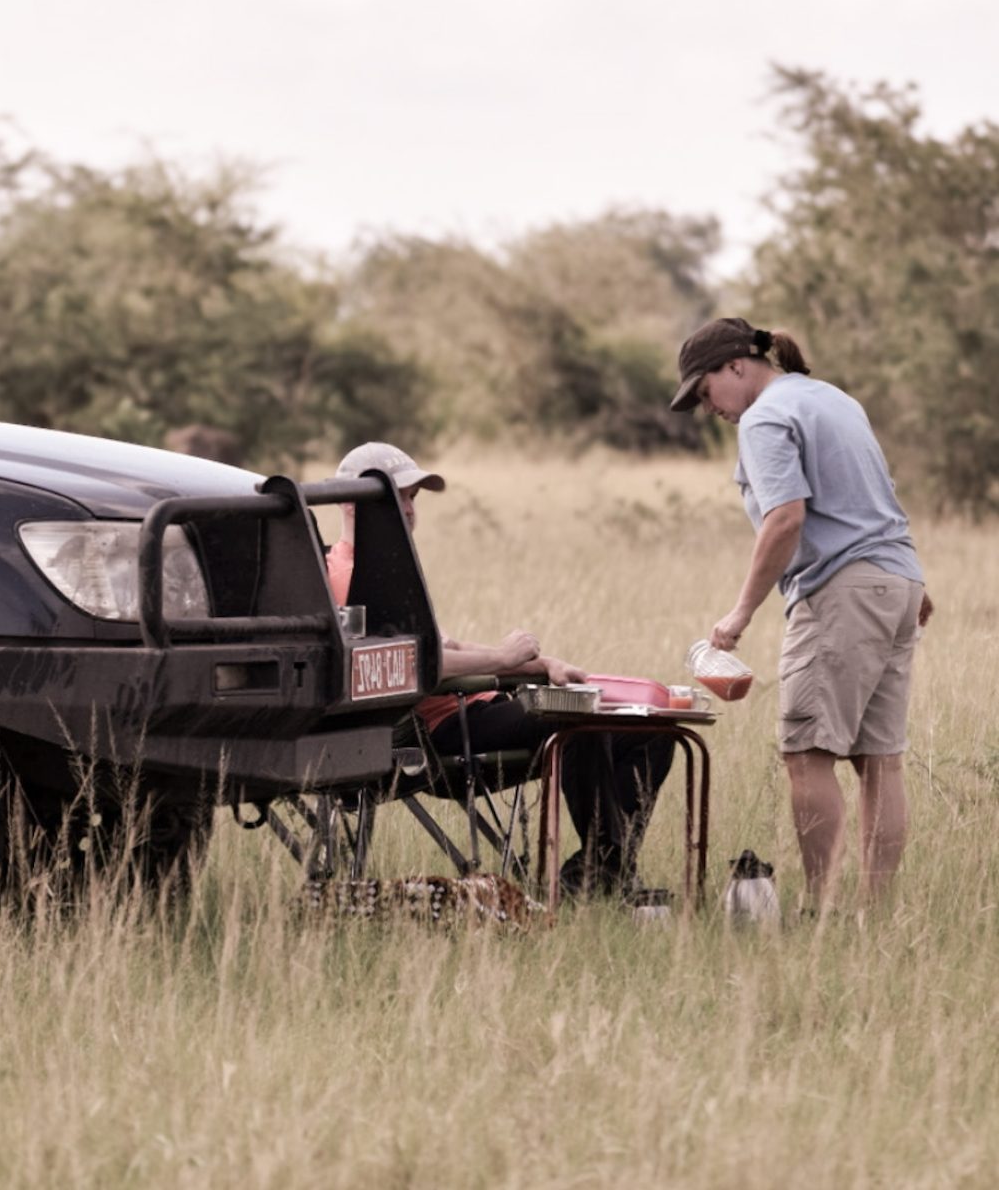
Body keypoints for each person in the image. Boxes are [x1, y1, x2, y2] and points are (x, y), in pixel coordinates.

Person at [329, 441, 674, 898]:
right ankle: (602, 877)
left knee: (652, 729)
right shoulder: (348, 577)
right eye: (398, 497)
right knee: (578, 719)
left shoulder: (389, 568)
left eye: (413, 498)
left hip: (472, 709)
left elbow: (444, 645)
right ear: (353, 503)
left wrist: (537, 665)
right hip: (434, 731)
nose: (410, 510)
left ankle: (597, 870)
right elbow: (408, 666)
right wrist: (502, 660)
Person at [671, 318, 933, 909]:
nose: (707, 406)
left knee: (806, 754)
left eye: (705, 389)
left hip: (840, 591)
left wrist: (739, 615)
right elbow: (878, 496)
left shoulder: (765, 417)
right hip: (896, 582)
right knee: (879, 761)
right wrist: (910, 581)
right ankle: (873, 915)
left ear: (736, 367)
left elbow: (785, 518)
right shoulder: (833, 399)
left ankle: (822, 912)